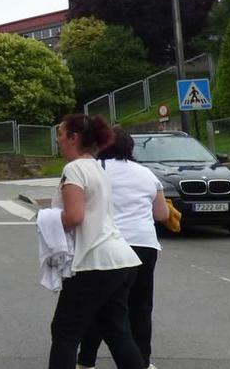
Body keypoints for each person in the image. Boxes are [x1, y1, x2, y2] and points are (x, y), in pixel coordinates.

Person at [48, 114, 143, 369]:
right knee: (117, 332)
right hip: (122, 260)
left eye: (61, 133)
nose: (58, 139)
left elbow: (75, 216)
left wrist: (47, 221)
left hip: (93, 261)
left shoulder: (74, 168)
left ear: (73, 137)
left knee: (65, 331)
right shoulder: (97, 167)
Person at [77, 127, 169, 369]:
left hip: (109, 244)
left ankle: (86, 360)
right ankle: (143, 360)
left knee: (100, 303)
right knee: (141, 306)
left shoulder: (96, 171)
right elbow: (162, 214)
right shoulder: (147, 174)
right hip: (145, 245)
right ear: (130, 148)